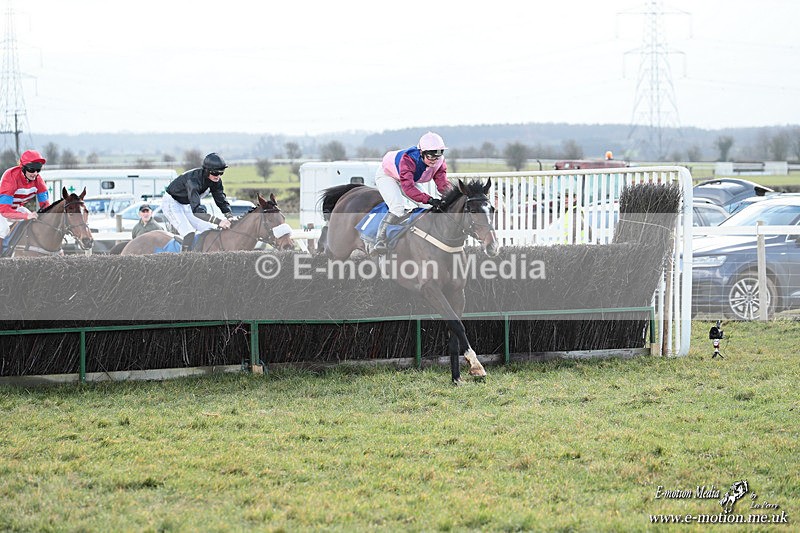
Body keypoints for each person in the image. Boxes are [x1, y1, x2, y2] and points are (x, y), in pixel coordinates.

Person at [372, 131, 451, 254]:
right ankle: (380, 240)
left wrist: (452, 196)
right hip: (387, 175)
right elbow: (408, 188)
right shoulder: (408, 159)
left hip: (407, 178)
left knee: (428, 207)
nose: (434, 160)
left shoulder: (439, 162)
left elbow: (443, 184)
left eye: (438, 155)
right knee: (397, 208)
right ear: (421, 153)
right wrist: (429, 198)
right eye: (430, 156)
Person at [161, 152, 233, 252]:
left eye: (221, 173)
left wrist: (230, 216)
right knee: (189, 233)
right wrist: (219, 221)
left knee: (210, 229)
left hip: (186, 204)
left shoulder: (216, 181)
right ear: (207, 171)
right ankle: (184, 259)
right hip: (172, 203)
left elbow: (220, 199)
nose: (218, 176)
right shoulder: (193, 181)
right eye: (215, 173)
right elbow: (197, 211)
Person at [0, 150, 50, 248]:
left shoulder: (39, 180)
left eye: (38, 169)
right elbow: (4, 210)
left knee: (33, 223)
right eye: (31, 169)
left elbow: (46, 206)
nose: (35, 173)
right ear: (22, 167)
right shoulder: (10, 177)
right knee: (3, 229)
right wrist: (26, 216)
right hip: (2, 209)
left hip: (16, 208)